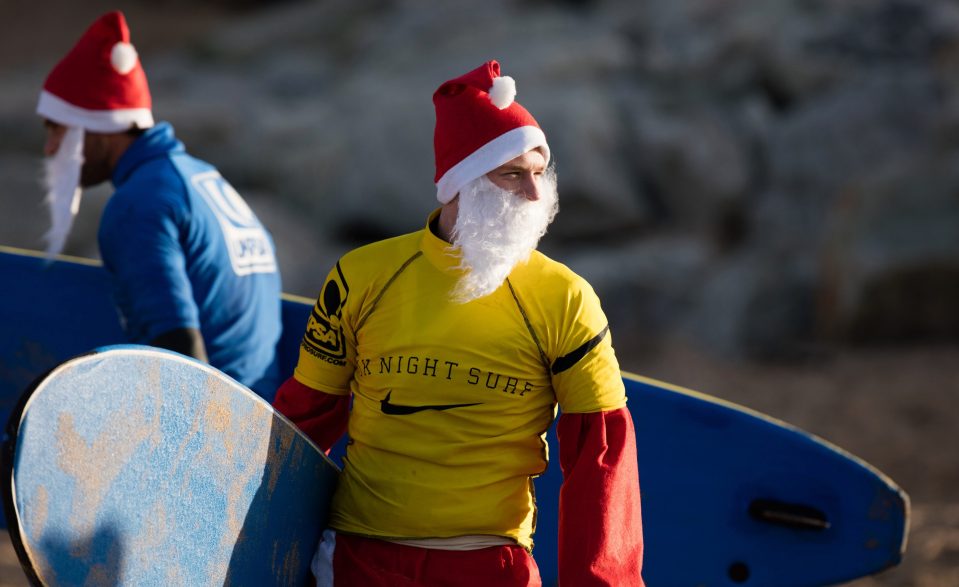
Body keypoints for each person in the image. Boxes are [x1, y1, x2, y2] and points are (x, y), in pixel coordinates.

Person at [274, 60, 644, 586]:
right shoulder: (361, 276)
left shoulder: (566, 297)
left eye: (540, 171)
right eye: (512, 174)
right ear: (459, 186)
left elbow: (601, 457)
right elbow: (302, 424)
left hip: (490, 566)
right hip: (358, 561)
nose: (535, 195)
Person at [37, 11, 283, 400]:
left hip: (221, 433)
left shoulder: (138, 206)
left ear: (101, 125)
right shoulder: (202, 178)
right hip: (266, 417)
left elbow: (179, 355)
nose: (50, 149)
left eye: (57, 128)